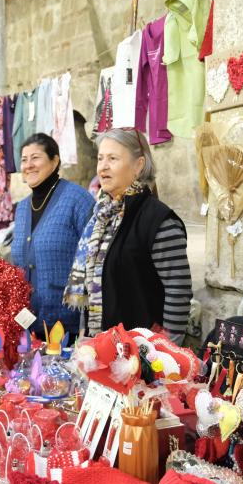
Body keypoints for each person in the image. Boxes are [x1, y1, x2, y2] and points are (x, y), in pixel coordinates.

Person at [64, 129, 192, 343]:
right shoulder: (97, 217)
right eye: (100, 158)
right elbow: (90, 285)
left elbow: (177, 290)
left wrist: (165, 350)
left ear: (138, 166)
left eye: (113, 158)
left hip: (143, 352)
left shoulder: (159, 220)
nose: (102, 167)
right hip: (100, 347)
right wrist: (85, 339)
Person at [11, 133, 94, 338]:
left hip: (67, 324)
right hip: (27, 323)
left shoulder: (78, 199)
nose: (28, 165)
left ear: (55, 160)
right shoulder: (22, 208)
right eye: (24, 159)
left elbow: (95, 257)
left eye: (35, 157)